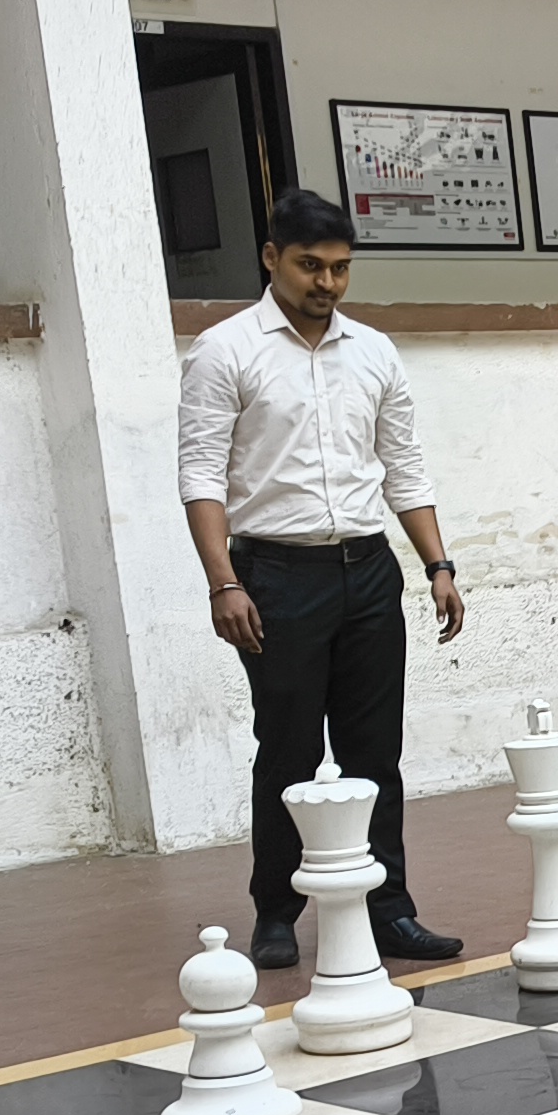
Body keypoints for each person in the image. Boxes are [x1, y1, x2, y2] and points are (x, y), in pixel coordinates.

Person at [180, 184, 468, 969]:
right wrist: (223, 582)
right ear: (271, 257)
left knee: (376, 753)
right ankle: (276, 913)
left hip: (368, 571)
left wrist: (437, 566)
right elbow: (201, 476)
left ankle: (390, 910)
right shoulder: (224, 351)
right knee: (289, 751)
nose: (327, 283)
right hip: (274, 577)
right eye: (310, 265)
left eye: (340, 268)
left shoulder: (373, 352)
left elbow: (403, 467)